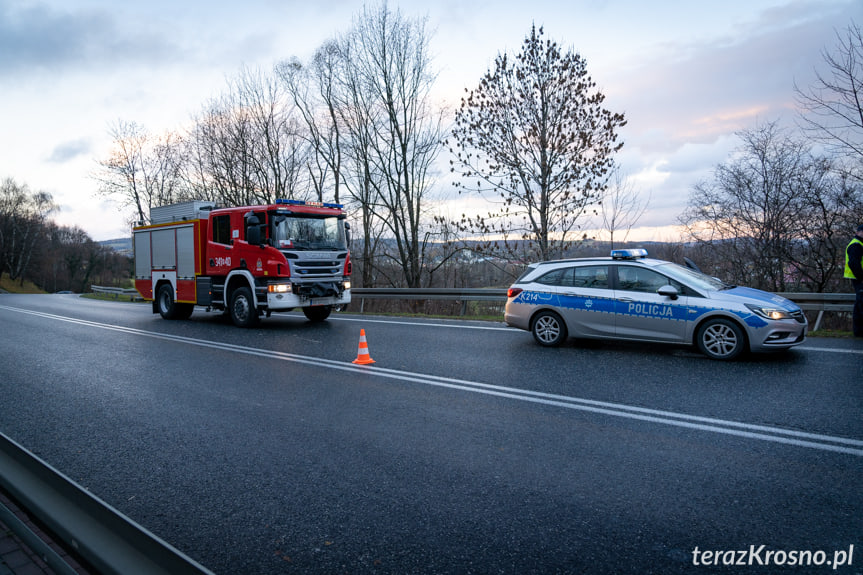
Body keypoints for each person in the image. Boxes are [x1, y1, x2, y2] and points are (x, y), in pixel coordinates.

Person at [845, 224, 863, 337]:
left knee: (859, 305)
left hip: (858, 279)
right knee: (861, 305)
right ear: (858, 232)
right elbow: (853, 263)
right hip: (859, 280)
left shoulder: (859, 244)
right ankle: (859, 331)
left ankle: (859, 332)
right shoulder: (856, 245)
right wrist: (862, 278)